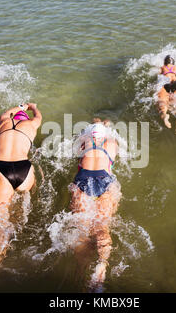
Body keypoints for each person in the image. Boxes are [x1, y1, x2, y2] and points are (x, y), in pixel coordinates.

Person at [0, 103, 42, 286]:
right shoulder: (31, 125)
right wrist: (33, 106)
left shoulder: (3, 122)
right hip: (25, 170)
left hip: (2, 170)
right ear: (25, 119)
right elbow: (38, 116)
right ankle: (22, 225)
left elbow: (7, 113)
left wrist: (21, 105)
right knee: (32, 189)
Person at [69, 119, 121, 292]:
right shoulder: (112, 143)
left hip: (83, 179)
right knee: (102, 227)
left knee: (82, 229)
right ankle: (102, 264)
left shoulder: (84, 141)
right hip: (105, 181)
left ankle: (81, 270)